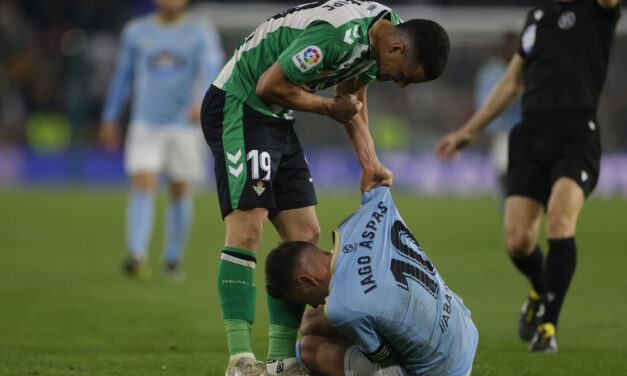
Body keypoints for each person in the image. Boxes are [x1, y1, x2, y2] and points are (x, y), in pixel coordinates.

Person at [200, 1, 450, 375]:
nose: (399, 84)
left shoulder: (382, 36)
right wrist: (324, 106)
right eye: (405, 76)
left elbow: (353, 100)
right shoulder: (336, 37)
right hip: (240, 104)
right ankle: (240, 358)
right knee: (248, 226)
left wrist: (370, 163)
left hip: (276, 116)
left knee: (305, 234)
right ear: (397, 48)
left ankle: (282, 361)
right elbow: (270, 85)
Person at [435, 0, 620, 353]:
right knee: (518, 240)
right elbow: (510, 83)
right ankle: (540, 286)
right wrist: (468, 131)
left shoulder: (598, 9)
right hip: (531, 135)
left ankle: (548, 325)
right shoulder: (537, 16)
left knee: (559, 220)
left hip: (576, 134)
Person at [265, 186, 478, 376]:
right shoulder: (367, 214)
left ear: (307, 280)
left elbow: (384, 359)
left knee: (307, 348)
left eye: (303, 297)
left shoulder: (343, 308)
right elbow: (379, 186)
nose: (311, 303)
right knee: (312, 320)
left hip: (442, 370)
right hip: (465, 331)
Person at [99, 0, 224, 278]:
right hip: (146, 123)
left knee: (179, 190)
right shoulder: (136, 31)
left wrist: (203, 100)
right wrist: (110, 116)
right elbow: (123, 75)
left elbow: (213, 68)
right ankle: (137, 254)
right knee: (143, 183)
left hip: (184, 125)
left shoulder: (200, 32)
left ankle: (172, 259)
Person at [474, 32, 521, 210]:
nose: (511, 50)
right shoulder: (491, 72)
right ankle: (508, 211)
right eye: (508, 46)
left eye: (515, 46)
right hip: (503, 131)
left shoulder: (527, 67)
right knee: (504, 174)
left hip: (528, 130)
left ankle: (516, 212)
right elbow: (483, 102)